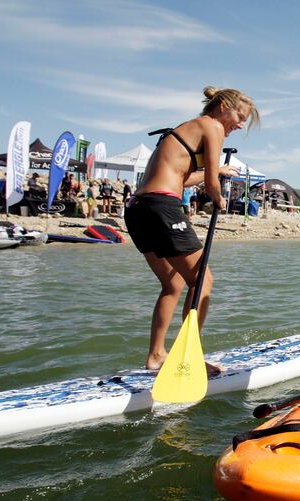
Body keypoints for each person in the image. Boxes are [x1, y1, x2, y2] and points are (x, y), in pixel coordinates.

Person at [125, 86, 259, 372]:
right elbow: (210, 184)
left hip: (138, 208)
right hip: (161, 207)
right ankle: (189, 358)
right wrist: (219, 195)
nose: (240, 124)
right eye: (240, 116)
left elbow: (181, 178)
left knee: (173, 285)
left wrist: (219, 173)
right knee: (203, 281)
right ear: (223, 106)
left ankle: (156, 355)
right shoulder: (212, 127)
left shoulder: (187, 128)